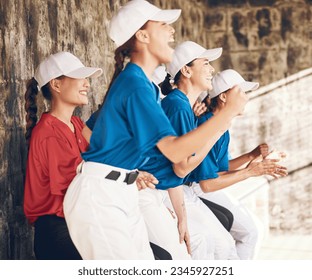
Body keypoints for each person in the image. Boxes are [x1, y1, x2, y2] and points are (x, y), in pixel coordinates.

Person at [63, 0, 247, 260]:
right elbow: (175, 153)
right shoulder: (135, 84)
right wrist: (225, 115)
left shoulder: (146, 87)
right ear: (142, 35)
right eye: (163, 25)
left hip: (122, 191)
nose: (172, 31)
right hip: (100, 196)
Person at [141, 40, 239, 259]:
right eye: (205, 63)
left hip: (172, 190)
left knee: (222, 245)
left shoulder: (183, 105)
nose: (212, 69)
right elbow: (182, 168)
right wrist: (220, 124)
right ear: (186, 70)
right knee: (199, 243)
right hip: (155, 190)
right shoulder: (177, 105)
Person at [188, 69, 288, 259]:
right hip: (196, 189)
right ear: (224, 97)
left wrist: (252, 156)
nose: (245, 98)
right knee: (247, 234)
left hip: (203, 186)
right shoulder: (209, 123)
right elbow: (206, 183)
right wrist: (250, 171)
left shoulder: (221, 124)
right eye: (240, 91)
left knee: (252, 231)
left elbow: (221, 168)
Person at [23, 51, 103, 260]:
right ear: (56, 85)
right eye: (79, 78)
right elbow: (77, 185)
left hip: (77, 221)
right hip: (57, 230)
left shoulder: (76, 124)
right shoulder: (49, 133)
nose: (87, 84)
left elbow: (103, 155)